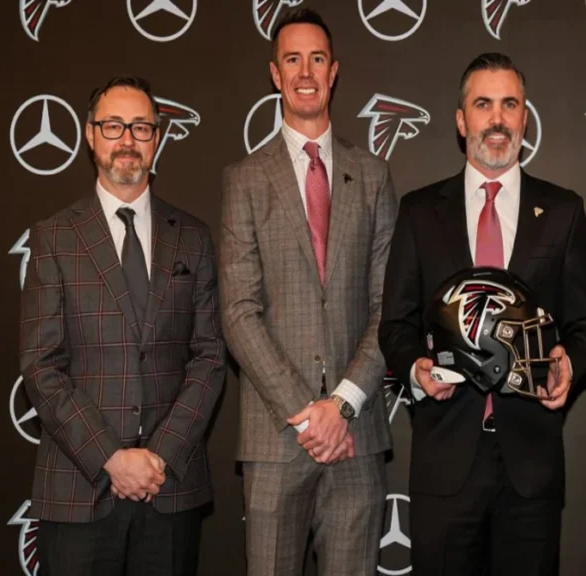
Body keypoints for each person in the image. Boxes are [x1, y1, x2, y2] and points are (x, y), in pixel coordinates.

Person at [377, 52, 586, 575]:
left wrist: (570, 362)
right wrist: (415, 369)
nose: (497, 119)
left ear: (525, 118)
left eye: (509, 104)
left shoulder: (564, 211)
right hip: (445, 459)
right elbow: (396, 324)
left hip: (531, 465)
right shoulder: (418, 212)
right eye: (483, 104)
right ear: (461, 120)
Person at [19, 75, 226, 576]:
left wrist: (158, 456)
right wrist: (112, 457)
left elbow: (210, 357)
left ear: (158, 138)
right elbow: (41, 367)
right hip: (78, 488)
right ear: (90, 136)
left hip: (169, 488)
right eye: (113, 126)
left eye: (140, 127)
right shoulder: (53, 238)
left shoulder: (193, 239)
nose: (127, 140)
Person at [219, 7, 398, 576]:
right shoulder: (244, 180)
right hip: (277, 440)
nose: (305, 71)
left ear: (334, 70)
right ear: (276, 74)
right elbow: (239, 313)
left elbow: (388, 307)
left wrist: (341, 405)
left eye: (316, 59)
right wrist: (307, 414)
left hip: (355, 437)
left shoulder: (372, 175)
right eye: (292, 59)